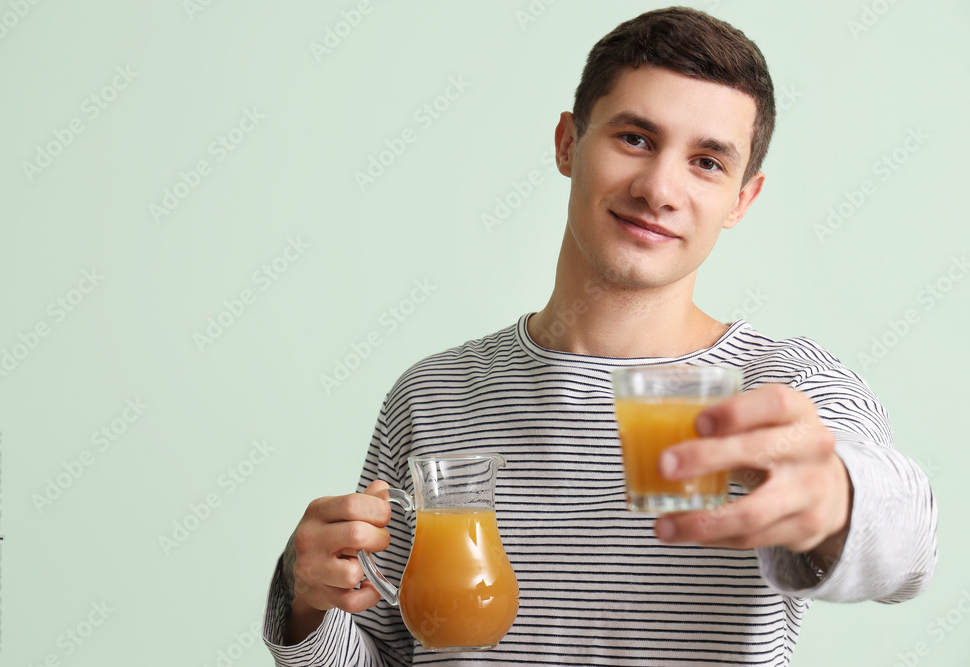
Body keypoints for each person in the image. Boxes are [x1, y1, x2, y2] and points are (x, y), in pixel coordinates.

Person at [263, 7, 937, 665]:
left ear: (741, 199)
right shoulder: (434, 394)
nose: (659, 188)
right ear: (566, 142)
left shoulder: (779, 387)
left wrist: (838, 497)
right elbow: (386, 652)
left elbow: (909, 542)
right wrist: (304, 605)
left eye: (706, 162)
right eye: (636, 138)